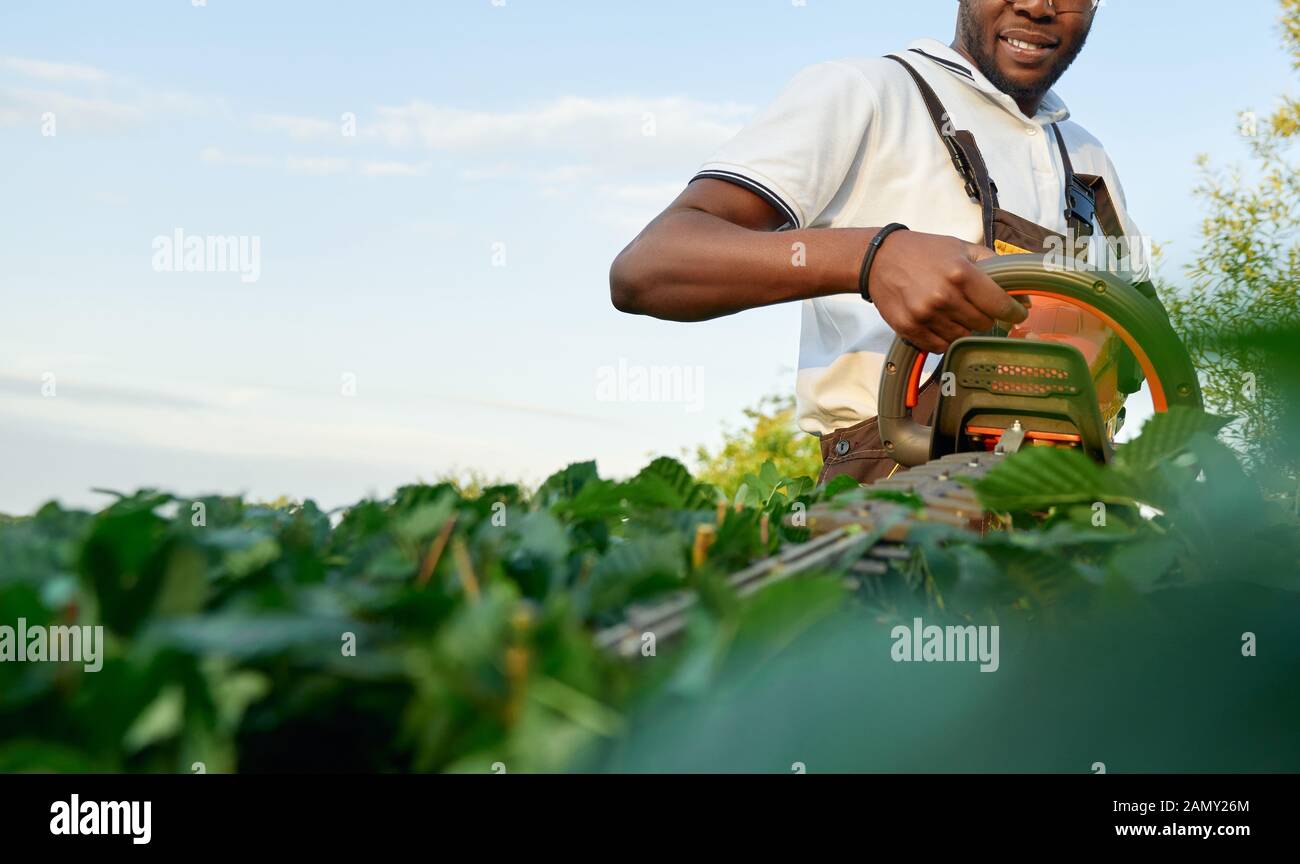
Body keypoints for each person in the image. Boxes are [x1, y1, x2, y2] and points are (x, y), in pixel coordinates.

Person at [610, 0, 1152, 485]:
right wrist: (873, 258)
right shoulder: (864, 91)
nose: (1038, 6)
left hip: (1073, 505)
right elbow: (648, 269)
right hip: (897, 487)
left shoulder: (1087, 158)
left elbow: (1147, 342)